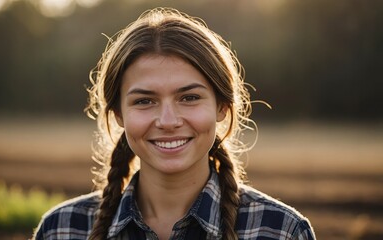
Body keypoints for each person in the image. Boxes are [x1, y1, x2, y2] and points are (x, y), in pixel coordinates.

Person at [33, 7, 315, 240]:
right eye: (144, 101)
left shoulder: (282, 232)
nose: (168, 121)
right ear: (118, 114)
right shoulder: (62, 230)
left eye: (189, 97)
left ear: (222, 107)